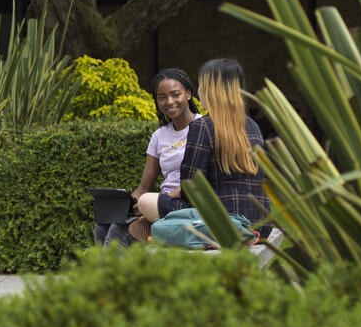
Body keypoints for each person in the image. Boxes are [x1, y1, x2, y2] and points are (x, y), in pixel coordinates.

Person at [136, 58, 273, 239]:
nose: (199, 91)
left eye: (200, 84)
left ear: (210, 89)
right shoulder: (252, 126)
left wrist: (165, 198)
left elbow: (190, 190)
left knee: (146, 201)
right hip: (260, 223)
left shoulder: (203, 126)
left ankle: (168, 233)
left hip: (223, 223)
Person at [96, 68, 203, 245]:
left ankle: (108, 273)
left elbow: (200, 181)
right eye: (162, 97)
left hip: (184, 204)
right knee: (102, 226)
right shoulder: (159, 136)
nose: (169, 102)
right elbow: (144, 186)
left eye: (175, 94)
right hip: (157, 204)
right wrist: (128, 204)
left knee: (119, 231)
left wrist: (160, 200)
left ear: (189, 94)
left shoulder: (204, 127)